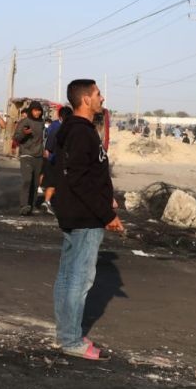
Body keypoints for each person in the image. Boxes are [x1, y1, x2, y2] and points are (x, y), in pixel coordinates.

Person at [50, 79, 123, 361]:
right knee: (79, 280)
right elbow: (78, 178)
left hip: (75, 211)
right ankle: (71, 340)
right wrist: (107, 214)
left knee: (68, 275)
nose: (102, 98)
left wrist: (107, 197)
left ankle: (66, 333)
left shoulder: (75, 130)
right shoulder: (81, 133)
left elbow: (75, 172)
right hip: (85, 216)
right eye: (98, 94)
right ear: (85, 100)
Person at [13, 100, 46, 215]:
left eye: (39, 110)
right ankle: (24, 205)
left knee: (35, 183)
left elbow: (42, 139)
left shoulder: (41, 123)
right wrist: (24, 133)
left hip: (39, 156)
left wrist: (44, 151)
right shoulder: (24, 122)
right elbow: (16, 138)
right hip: (26, 154)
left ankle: (31, 206)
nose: (37, 113)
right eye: (35, 110)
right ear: (31, 110)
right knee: (27, 180)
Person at [41, 106, 72, 213]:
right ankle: (47, 202)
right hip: (54, 160)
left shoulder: (57, 126)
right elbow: (49, 146)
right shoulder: (57, 128)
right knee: (55, 183)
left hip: (56, 159)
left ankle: (47, 202)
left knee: (53, 183)